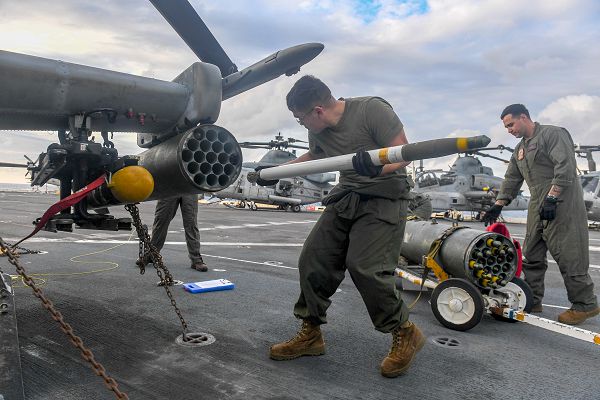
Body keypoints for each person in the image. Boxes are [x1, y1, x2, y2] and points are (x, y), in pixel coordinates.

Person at [266, 75, 425, 378]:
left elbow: (403, 151)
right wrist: (275, 172)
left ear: (318, 110)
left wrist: (376, 166)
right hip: (347, 195)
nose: (302, 124)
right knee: (313, 259)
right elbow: (316, 156)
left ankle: (405, 332)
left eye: (301, 119)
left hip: (384, 196)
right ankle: (311, 334)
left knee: (366, 267)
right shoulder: (320, 129)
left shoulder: (371, 110)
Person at [482, 104, 599, 325]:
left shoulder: (553, 134)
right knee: (532, 253)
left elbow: (565, 167)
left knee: (568, 252)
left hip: (562, 200)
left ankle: (585, 304)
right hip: (537, 202)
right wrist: (498, 205)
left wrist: (553, 197)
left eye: (510, 125)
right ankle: (532, 299)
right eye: (506, 127)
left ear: (523, 117)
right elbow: (512, 180)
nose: (509, 130)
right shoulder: (519, 150)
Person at [137, 194, 208, 272]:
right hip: (170, 187)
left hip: (189, 188)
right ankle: (151, 254)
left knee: (191, 223)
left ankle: (196, 260)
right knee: (161, 220)